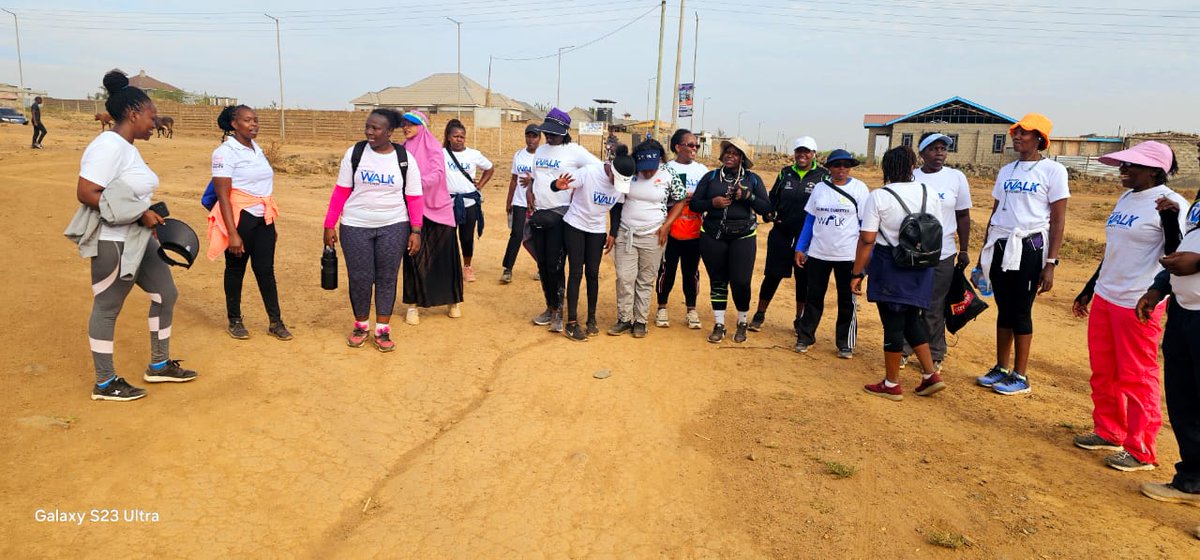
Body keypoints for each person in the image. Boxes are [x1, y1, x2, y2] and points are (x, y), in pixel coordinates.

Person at [67, 70, 196, 401]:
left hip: (138, 238)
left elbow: (126, 193)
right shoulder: (107, 146)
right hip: (113, 240)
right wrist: (140, 213)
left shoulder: (127, 147)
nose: (155, 123)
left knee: (165, 294)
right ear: (133, 113)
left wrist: (147, 216)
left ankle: (159, 365)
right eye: (152, 116)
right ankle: (105, 383)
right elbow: (86, 192)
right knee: (107, 307)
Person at [1071, 141, 1185, 471]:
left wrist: (1169, 221)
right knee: (1104, 371)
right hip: (1107, 295)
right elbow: (1114, 250)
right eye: (1123, 164)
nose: (1123, 169)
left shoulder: (1172, 203)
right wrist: (1090, 288)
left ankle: (1141, 449)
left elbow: (1177, 257)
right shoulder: (1127, 198)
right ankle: (1109, 430)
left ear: (1154, 170)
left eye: (1131, 165)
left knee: (1137, 376)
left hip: (1138, 302)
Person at [976, 113, 1069, 395]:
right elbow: (995, 212)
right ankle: (1001, 368)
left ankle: (1020, 375)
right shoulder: (1007, 171)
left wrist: (1050, 263)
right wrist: (984, 253)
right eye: (1015, 132)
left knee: (1020, 311)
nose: (1017, 137)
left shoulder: (1053, 171)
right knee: (1004, 308)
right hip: (1001, 244)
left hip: (1029, 248)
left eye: (1024, 133)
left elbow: (1058, 220)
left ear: (1040, 139)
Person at [322, 109, 424, 352]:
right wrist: (329, 224)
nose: (369, 131)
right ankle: (360, 326)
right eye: (368, 126)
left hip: (394, 225)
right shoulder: (355, 153)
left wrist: (416, 231)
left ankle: (382, 330)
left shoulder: (404, 158)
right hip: (355, 225)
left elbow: (414, 197)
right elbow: (341, 191)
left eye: (376, 128)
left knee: (387, 278)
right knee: (360, 278)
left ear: (389, 132)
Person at [851, 146, 944, 401]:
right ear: (913, 166)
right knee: (912, 320)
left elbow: (867, 239)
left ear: (886, 168)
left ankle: (891, 383)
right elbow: (936, 228)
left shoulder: (879, 196)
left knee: (892, 323)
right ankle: (930, 374)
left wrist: (857, 272)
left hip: (891, 265)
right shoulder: (929, 192)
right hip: (922, 265)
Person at [1137, 143, 1200, 504]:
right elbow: (1187, 245)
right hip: (1185, 310)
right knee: (1184, 401)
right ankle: (1192, 480)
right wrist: (1159, 287)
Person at [208, 104, 291, 341]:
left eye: (255, 120)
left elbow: (263, 187)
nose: (254, 124)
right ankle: (235, 320)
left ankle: (275, 322)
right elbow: (223, 195)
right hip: (240, 217)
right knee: (236, 268)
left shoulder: (257, 149)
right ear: (234, 124)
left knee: (266, 270)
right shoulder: (225, 152)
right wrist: (232, 233)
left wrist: (270, 222)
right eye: (247, 120)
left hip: (263, 217)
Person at [900, 133, 972, 370]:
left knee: (935, 305)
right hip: (913, 252)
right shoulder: (911, 177)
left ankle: (934, 353)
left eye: (943, 148)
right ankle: (904, 349)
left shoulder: (956, 178)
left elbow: (963, 215)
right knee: (910, 302)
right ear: (921, 153)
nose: (939, 153)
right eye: (933, 148)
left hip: (943, 253)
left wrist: (964, 249)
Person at [690, 137, 772, 343]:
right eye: (728, 152)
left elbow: (766, 208)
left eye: (735, 153)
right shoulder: (710, 177)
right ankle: (719, 324)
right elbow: (695, 205)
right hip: (713, 235)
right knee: (718, 281)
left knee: (741, 281)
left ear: (742, 158)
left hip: (743, 236)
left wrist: (748, 197)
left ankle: (742, 321)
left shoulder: (753, 179)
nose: (730, 156)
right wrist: (712, 203)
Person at [527, 108, 602, 332]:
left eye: (554, 133)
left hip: (562, 215)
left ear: (565, 132)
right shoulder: (540, 151)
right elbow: (536, 178)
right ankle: (549, 307)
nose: (549, 137)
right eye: (547, 133)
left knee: (555, 264)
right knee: (542, 264)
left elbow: (598, 168)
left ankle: (559, 311)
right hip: (539, 212)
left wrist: (580, 189)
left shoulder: (575, 151)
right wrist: (530, 190)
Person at [793, 149, 869, 357]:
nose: (841, 169)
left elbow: (865, 225)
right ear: (829, 168)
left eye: (846, 165)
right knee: (813, 296)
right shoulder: (820, 189)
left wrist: (864, 259)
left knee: (846, 300)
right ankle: (805, 336)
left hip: (847, 255)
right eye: (836, 165)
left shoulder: (860, 189)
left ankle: (845, 343)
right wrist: (801, 247)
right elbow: (810, 220)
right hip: (819, 253)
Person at [608, 139, 687, 338]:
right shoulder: (630, 171)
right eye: (644, 168)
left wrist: (666, 226)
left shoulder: (669, 173)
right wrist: (613, 232)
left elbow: (680, 199)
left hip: (653, 235)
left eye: (652, 167)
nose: (648, 172)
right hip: (627, 233)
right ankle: (624, 319)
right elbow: (617, 202)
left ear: (660, 159)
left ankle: (640, 321)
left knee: (645, 280)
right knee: (625, 278)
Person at [554, 146, 635, 340]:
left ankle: (591, 319)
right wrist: (556, 185)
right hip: (575, 225)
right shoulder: (590, 172)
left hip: (597, 230)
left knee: (592, 273)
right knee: (576, 272)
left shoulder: (621, 185)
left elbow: (617, 208)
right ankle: (572, 322)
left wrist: (613, 233)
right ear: (611, 170)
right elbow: (560, 185)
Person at [749, 136, 829, 334]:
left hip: (807, 237)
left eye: (806, 151)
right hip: (782, 232)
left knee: (803, 279)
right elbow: (773, 197)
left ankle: (799, 319)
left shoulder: (823, 176)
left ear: (813, 154)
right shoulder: (785, 173)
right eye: (799, 151)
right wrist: (769, 213)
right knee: (773, 275)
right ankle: (760, 314)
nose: (802, 155)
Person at [399, 110, 462, 323]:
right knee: (413, 255)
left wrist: (416, 184)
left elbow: (437, 173)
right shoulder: (402, 149)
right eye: (404, 124)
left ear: (422, 127)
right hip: (413, 209)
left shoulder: (433, 146)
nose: (406, 127)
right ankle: (413, 305)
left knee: (445, 257)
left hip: (439, 208)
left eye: (411, 124)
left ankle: (453, 301)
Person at [655, 128, 709, 329]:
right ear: (678, 147)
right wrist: (677, 198)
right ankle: (662, 307)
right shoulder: (666, 169)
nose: (695, 148)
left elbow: (708, 197)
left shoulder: (702, 171)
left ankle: (691, 309)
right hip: (670, 230)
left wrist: (696, 199)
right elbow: (658, 195)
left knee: (691, 272)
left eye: (697, 145)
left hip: (694, 231)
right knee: (666, 270)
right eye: (690, 145)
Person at [443, 119, 495, 283]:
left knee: (466, 237)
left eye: (462, 137)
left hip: (469, 203)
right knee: (447, 237)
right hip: (447, 203)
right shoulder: (441, 154)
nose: (459, 139)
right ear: (449, 137)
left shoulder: (473, 154)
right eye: (455, 136)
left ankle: (467, 267)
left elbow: (490, 168)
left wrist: (480, 185)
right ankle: (449, 267)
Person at [501, 124, 541, 283]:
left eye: (534, 136)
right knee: (516, 234)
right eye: (528, 136)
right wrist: (509, 201)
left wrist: (533, 180)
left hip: (538, 203)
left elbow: (549, 180)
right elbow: (513, 179)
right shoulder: (518, 155)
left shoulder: (543, 157)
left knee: (538, 236)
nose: (531, 140)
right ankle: (508, 269)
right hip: (519, 201)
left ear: (540, 138)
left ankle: (542, 267)